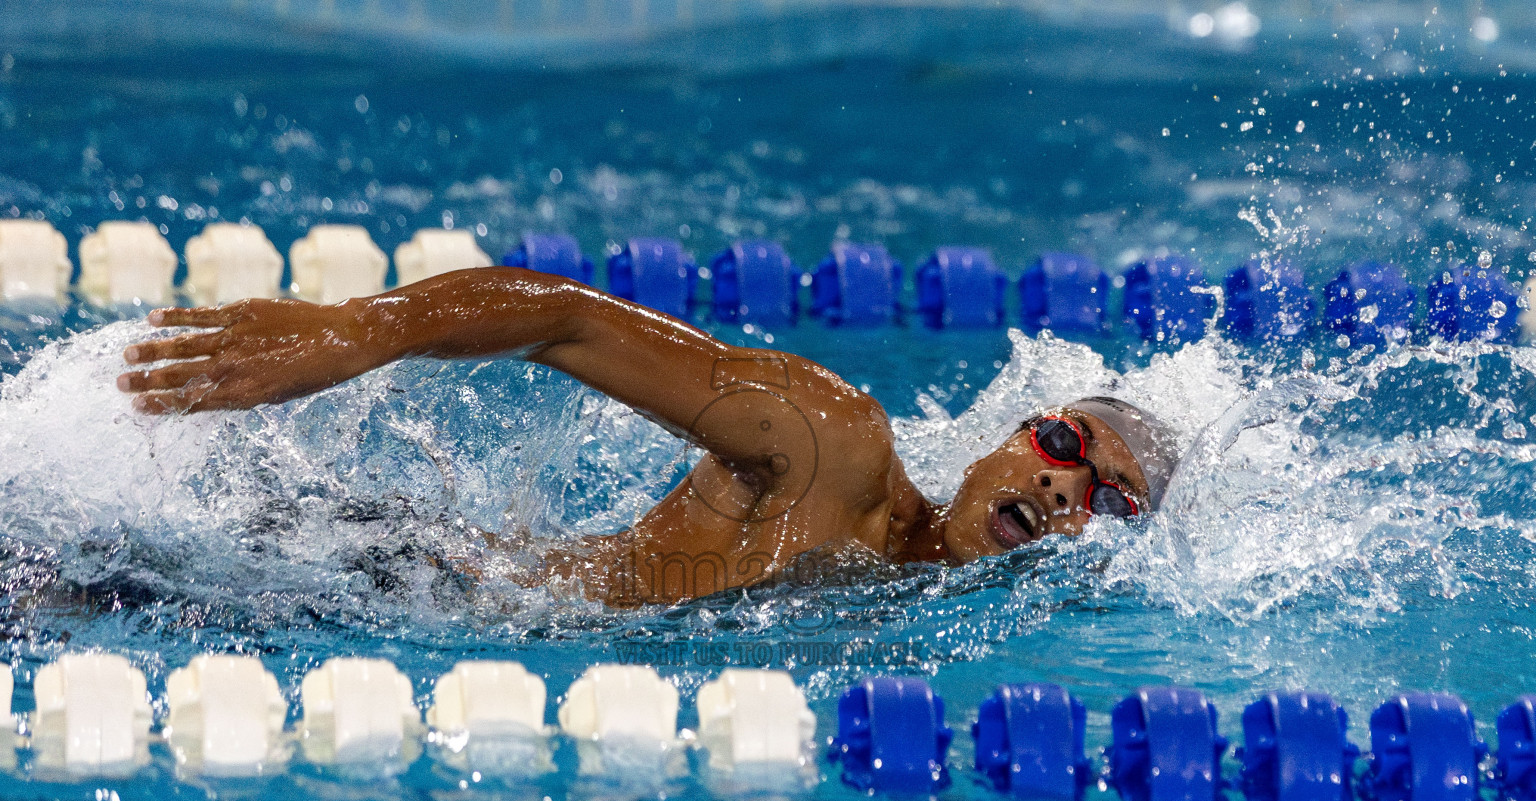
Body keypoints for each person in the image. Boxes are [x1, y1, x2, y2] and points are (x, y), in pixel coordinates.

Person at [116, 267, 1180, 605]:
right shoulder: (829, 442)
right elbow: (571, 320)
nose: (1064, 491)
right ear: (1007, 434)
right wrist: (359, 331)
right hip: (400, 583)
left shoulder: (967, 619)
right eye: (1062, 446)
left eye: (1111, 499)